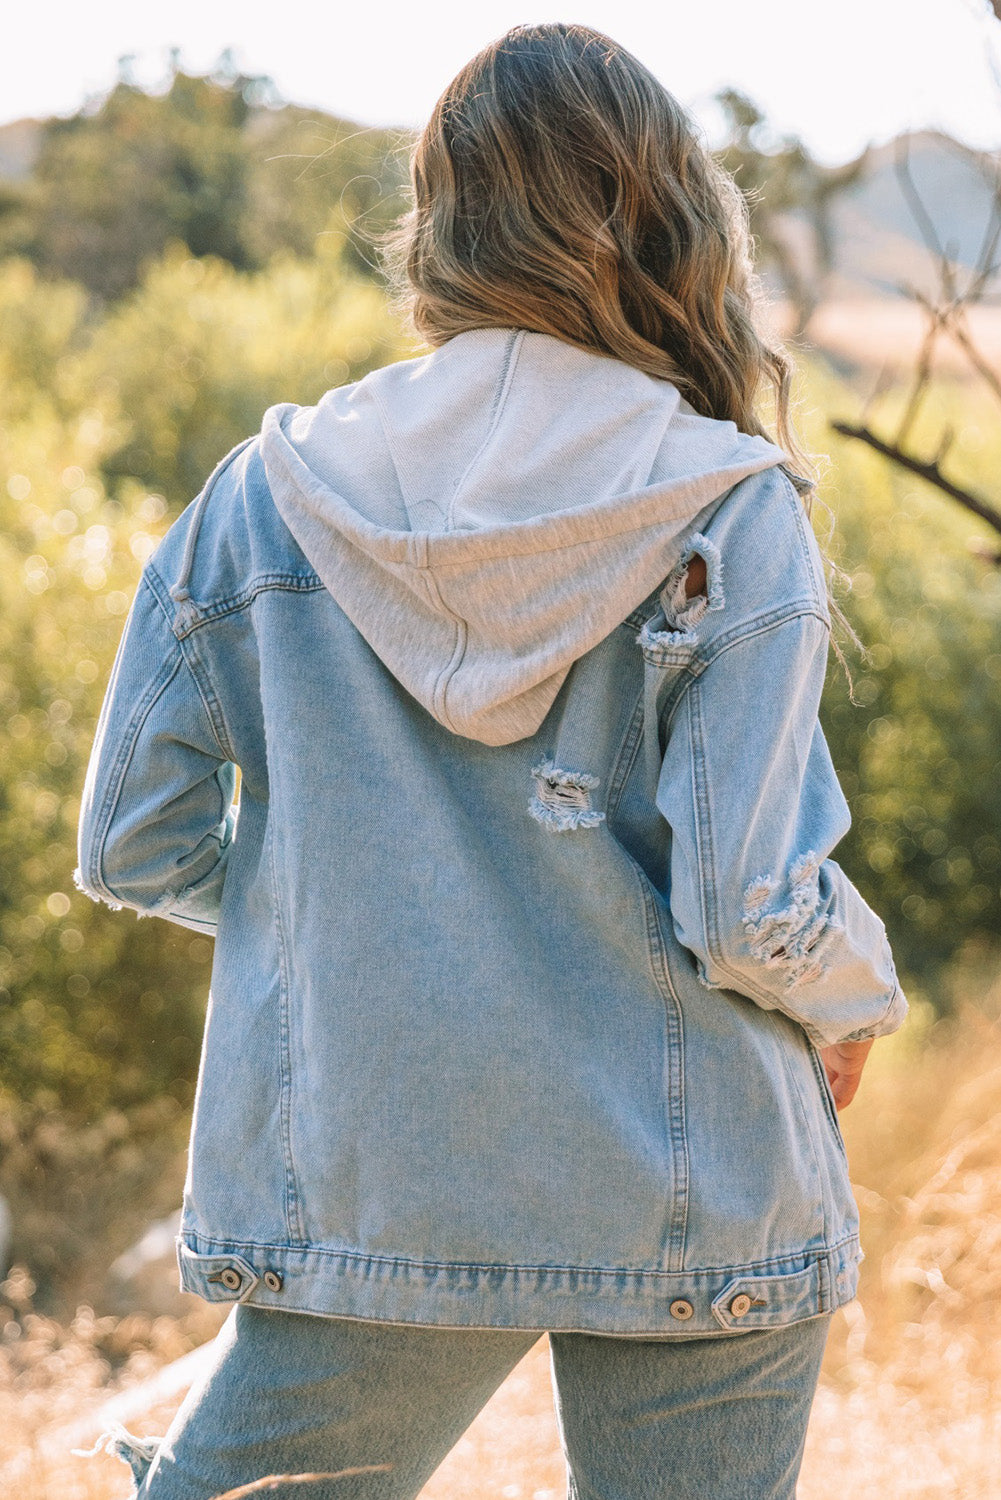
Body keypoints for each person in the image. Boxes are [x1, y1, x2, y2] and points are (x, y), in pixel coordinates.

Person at [76, 22, 906, 1500]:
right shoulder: (727, 504)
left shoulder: (261, 500)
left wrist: (377, 935)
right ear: (666, 215)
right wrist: (855, 996)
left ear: (442, 219)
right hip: (693, 1180)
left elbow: (132, 843)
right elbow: (752, 908)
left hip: (376, 1166)